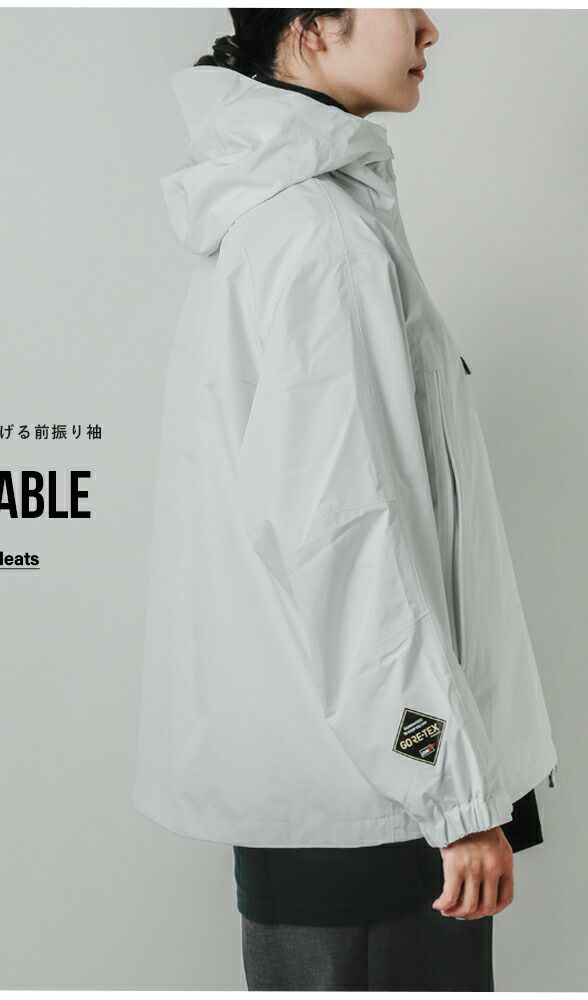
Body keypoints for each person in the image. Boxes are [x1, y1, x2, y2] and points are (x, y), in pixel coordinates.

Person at [133, 7, 559, 991]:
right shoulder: (320, 240)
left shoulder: (279, 221)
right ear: (310, 29)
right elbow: (347, 551)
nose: (428, 27)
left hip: (332, 788)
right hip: (379, 810)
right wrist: (451, 792)